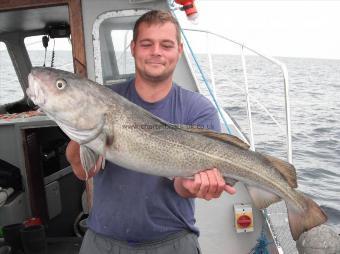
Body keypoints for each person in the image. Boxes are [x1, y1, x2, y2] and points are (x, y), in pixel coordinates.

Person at [66, 10, 236, 254]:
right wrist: (82, 129)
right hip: (103, 241)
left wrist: (195, 186)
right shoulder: (104, 99)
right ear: (134, 48)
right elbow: (85, 170)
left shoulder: (198, 109)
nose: (156, 51)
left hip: (173, 243)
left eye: (166, 45)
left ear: (179, 50)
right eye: (147, 44)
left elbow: (181, 185)